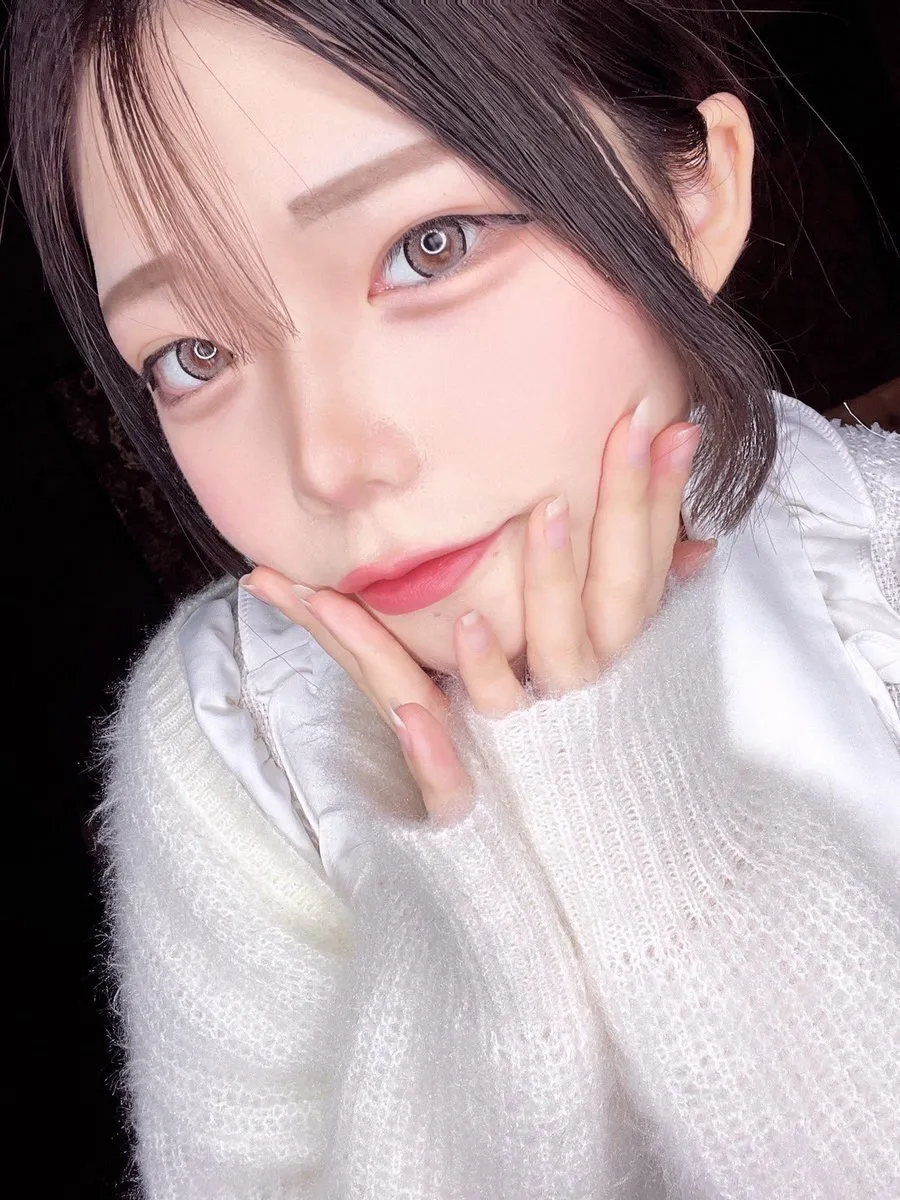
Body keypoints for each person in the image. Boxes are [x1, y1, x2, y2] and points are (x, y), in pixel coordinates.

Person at [9, 1, 900, 1196]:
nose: (328, 461)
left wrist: (647, 826)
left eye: (430, 246)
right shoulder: (236, 739)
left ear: (696, 199)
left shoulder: (875, 579)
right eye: (193, 354)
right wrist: (490, 972)